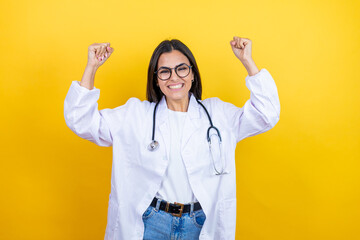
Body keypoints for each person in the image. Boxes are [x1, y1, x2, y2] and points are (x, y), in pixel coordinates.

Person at [64, 36, 280, 240]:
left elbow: (266, 114)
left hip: (200, 223)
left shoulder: (218, 114)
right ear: (156, 80)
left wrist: (248, 61)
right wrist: (91, 67)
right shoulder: (135, 115)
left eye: (182, 69)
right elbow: (81, 120)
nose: (174, 77)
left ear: (193, 74)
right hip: (151, 223)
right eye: (165, 72)